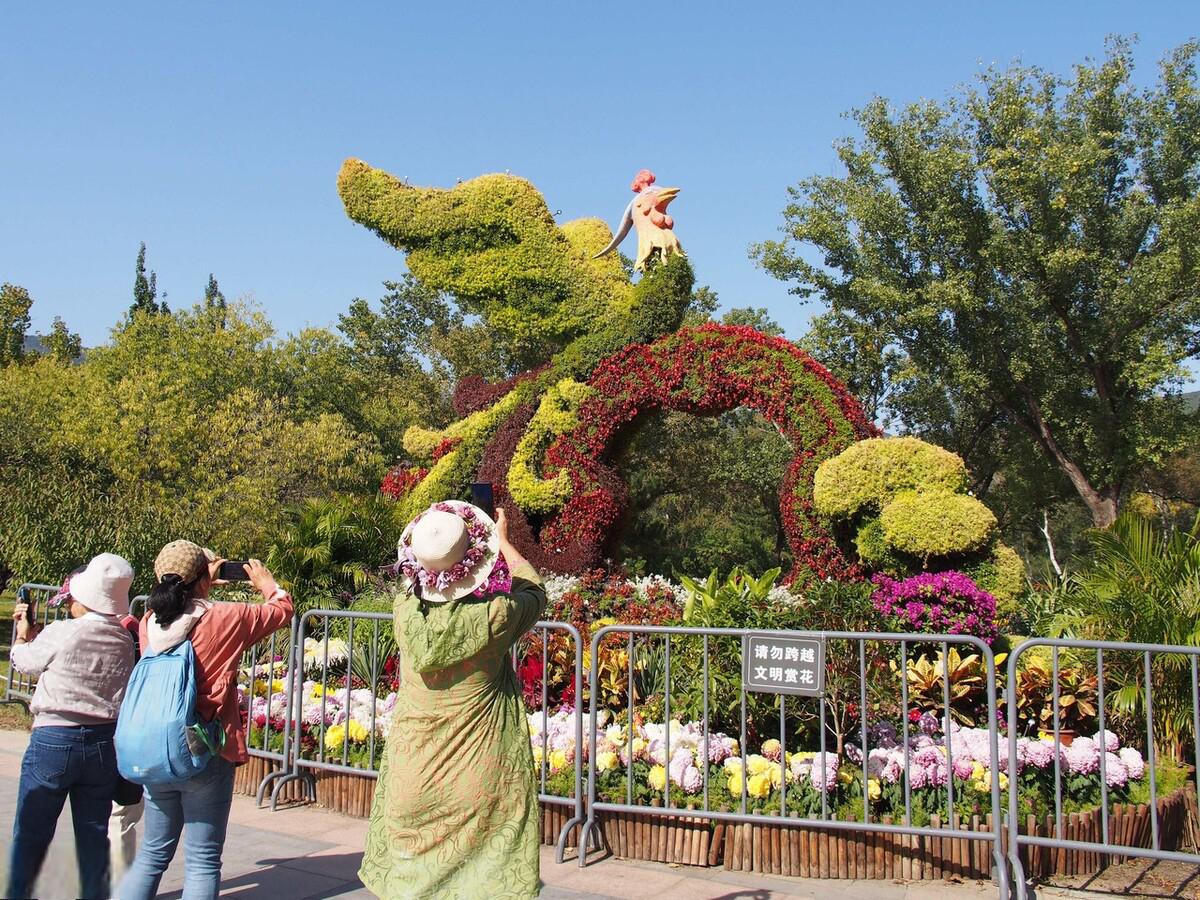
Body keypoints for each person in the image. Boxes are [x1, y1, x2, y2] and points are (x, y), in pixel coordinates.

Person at [360, 502, 547, 900]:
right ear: (476, 555)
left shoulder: (404, 609)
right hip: (478, 773)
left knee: (413, 885)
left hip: (414, 772)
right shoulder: (498, 615)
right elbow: (533, 588)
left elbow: (418, 587)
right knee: (481, 883)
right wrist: (504, 541)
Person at [119, 541, 292, 900]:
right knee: (203, 859)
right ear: (201, 579)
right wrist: (266, 583)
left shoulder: (150, 622)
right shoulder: (225, 617)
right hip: (203, 746)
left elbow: (182, 609)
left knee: (153, 853)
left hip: (157, 747)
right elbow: (281, 610)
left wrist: (201, 583)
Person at [6, 553, 138, 900]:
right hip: (102, 741)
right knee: (94, 832)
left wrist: (22, 637)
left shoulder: (63, 631)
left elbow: (25, 663)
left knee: (32, 831)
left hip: (55, 736)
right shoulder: (123, 639)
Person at [47, 566, 147, 885]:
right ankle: (120, 887)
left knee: (107, 820)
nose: (68, 609)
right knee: (120, 817)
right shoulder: (135, 632)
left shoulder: (82, 636)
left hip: (98, 739)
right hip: (128, 735)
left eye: (70, 602)